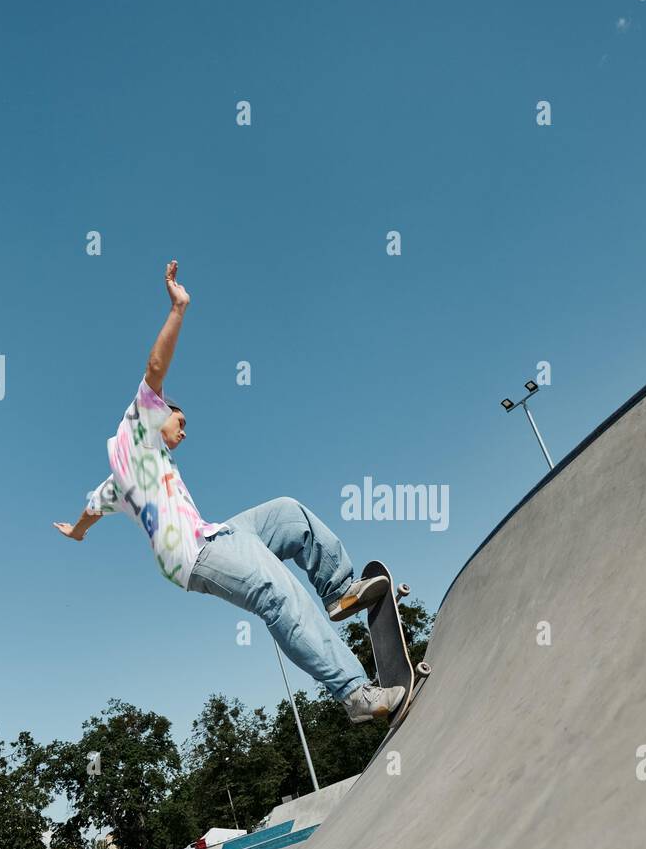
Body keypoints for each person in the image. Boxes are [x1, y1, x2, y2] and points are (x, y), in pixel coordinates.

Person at [54, 261, 404, 724]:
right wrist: (178, 308)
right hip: (192, 555)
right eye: (182, 421)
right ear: (161, 411)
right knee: (277, 594)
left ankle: (339, 591)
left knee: (287, 512)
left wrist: (77, 532)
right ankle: (356, 694)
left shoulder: (120, 478)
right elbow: (156, 366)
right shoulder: (138, 425)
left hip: (218, 533)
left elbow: (90, 509)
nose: (184, 430)